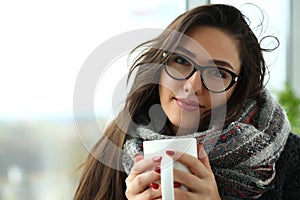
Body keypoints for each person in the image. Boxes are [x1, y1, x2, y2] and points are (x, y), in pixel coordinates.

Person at [74, 4, 300, 200]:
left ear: (240, 89)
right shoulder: (117, 147)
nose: (193, 85)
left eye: (219, 73)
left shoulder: (291, 161)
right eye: (181, 60)